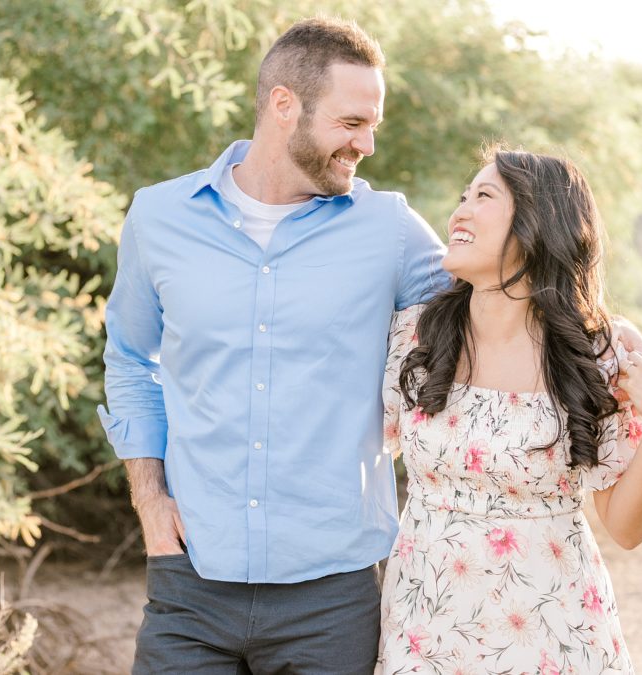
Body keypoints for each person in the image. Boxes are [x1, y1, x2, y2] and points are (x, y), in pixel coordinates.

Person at [97, 17, 448, 674]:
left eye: (372, 125)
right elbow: (129, 359)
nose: (367, 143)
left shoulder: (390, 230)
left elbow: (492, 297)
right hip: (189, 583)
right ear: (285, 105)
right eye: (351, 123)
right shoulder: (159, 217)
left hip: (334, 598)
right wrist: (149, 499)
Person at [375, 149, 642, 674]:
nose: (460, 212)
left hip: (554, 633)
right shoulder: (414, 335)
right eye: (463, 196)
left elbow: (627, 529)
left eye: (484, 197)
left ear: (538, 223)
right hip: (426, 627)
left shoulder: (600, 351)